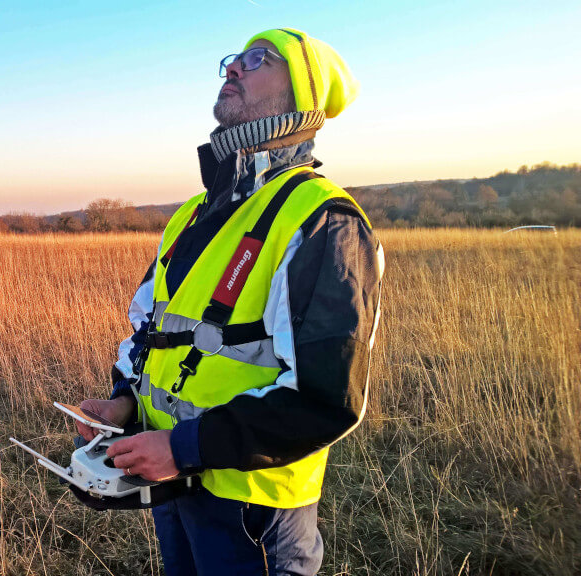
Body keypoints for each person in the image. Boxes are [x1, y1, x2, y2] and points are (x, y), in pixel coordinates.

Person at [74, 28, 384, 575]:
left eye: (258, 59)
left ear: (303, 97)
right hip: (173, 481)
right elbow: (152, 330)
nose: (233, 69)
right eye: (233, 60)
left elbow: (326, 399)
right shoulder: (192, 213)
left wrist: (184, 446)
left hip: (254, 507)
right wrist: (124, 404)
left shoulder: (321, 221)